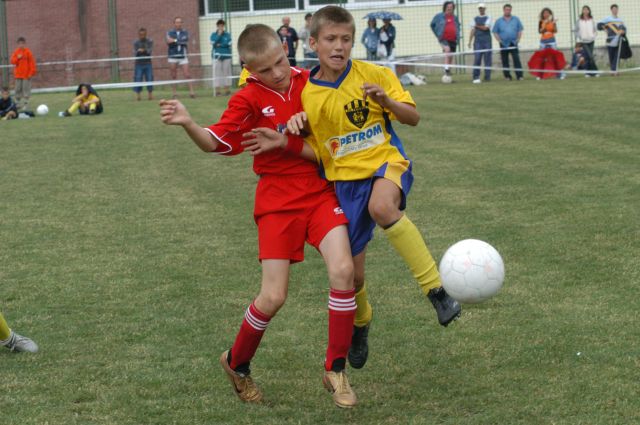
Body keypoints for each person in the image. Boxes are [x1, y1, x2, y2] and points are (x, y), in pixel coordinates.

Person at [243, 6, 461, 372]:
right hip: (345, 183)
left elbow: (413, 117)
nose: (339, 46)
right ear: (313, 43)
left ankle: (437, 292)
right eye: (330, 39)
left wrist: (386, 101)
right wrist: (291, 134)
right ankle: (362, 322)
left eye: (346, 39)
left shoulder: (374, 74)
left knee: (383, 207)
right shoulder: (308, 95)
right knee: (354, 277)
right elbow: (318, 150)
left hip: (385, 164)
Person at [160, 24, 358, 408]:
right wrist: (188, 123)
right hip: (277, 200)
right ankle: (236, 363)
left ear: (286, 48)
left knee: (343, 270)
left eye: (280, 61)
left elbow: (340, 123)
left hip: (320, 191)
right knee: (273, 296)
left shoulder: (312, 80)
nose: (278, 73)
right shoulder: (248, 99)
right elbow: (216, 142)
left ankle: (336, 369)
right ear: (249, 69)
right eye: (266, 69)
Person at [492, 3, 524, 81]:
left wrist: (518, 39)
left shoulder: (516, 19)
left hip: (513, 43)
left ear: (511, 10)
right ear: (503, 10)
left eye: (509, 10)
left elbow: (519, 30)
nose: (508, 11)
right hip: (503, 44)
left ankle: (519, 76)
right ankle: (507, 76)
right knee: (504, 60)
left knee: (516, 59)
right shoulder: (499, 21)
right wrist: (499, 40)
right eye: (506, 9)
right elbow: (495, 32)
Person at [166, 17, 195, 98]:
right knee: (173, 75)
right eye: (177, 22)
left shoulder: (185, 32)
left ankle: (192, 92)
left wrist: (174, 40)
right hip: (173, 55)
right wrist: (177, 40)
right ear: (174, 23)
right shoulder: (169, 32)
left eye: (180, 22)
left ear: (182, 23)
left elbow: (184, 40)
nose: (178, 24)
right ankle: (174, 93)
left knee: (187, 74)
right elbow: (168, 41)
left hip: (183, 55)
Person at [431, 1, 460, 78]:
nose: (449, 8)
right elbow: (432, 25)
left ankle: (448, 71)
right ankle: (446, 69)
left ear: (453, 8)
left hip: (453, 39)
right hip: (443, 38)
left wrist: (458, 36)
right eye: (448, 7)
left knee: (451, 55)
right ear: (445, 8)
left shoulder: (455, 17)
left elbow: (457, 26)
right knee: (447, 50)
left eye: (451, 7)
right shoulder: (439, 16)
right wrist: (437, 34)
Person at [598, 4, 626, 76]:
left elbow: (624, 29)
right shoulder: (607, 19)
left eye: (616, 9)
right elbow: (599, 25)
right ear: (611, 10)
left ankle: (614, 71)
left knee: (617, 56)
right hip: (610, 40)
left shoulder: (620, 20)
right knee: (611, 56)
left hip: (618, 40)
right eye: (613, 9)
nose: (615, 10)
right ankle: (613, 70)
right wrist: (604, 29)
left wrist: (623, 32)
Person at [10, 37, 37, 111]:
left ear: (24, 44)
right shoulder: (16, 52)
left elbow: (32, 63)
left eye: (22, 43)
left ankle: (26, 104)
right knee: (17, 89)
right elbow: (12, 61)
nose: (21, 45)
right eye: (19, 43)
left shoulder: (28, 52)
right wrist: (18, 58)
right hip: (18, 75)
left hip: (26, 75)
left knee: (26, 90)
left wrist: (31, 73)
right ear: (17, 44)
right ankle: (17, 104)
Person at [468, 3, 493, 83]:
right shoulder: (474, 18)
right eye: (480, 8)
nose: (481, 9)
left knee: (487, 59)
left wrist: (477, 26)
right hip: (478, 42)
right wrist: (470, 41)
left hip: (487, 41)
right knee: (477, 59)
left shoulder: (489, 17)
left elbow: (486, 28)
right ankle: (476, 77)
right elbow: (472, 30)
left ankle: (487, 77)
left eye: (482, 8)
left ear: (485, 9)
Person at [574, 5, 598, 77]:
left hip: (591, 40)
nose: (585, 11)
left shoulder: (592, 20)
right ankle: (595, 71)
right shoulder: (579, 20)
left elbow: (595, 29)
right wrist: (580, 36)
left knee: (588, 57)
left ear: (589, 11)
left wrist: (594, 35)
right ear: (582, 11)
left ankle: (589, 73)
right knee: (590, 56)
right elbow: (576, 30)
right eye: (584, 9)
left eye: (587, 10)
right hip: (584, 41)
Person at [210, 19, 232, 96]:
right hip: (216, 57)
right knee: (217, 73)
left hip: (226, 56)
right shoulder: (213, 34)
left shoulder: (227, 35)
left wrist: (220, 45)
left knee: (227, 73)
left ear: (223, 26)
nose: (221, 27)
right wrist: (219, 36)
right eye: (219, 26)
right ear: (217, 26)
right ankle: (217, 91)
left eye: (222, 26)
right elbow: (213, 43)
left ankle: (227, 90)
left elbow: (229, 43)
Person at [133, 28, 154, 101]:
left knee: (150, 78)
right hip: (139, 63)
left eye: (144, 34)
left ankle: (150, 95)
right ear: (138, 35)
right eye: (141, 35)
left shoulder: (150, 41)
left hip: (148, 63)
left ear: (146, 34)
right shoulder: (135, 42)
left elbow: (149, 51)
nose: (142, 36)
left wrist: (143, 50)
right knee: (138, 78)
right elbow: (135, 53)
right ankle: (138, 95)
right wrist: (138, 51)